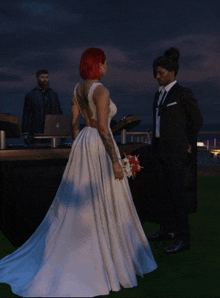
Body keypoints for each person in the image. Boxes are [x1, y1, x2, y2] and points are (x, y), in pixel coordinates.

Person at [0, 48, 157, 297]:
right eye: (104, 63)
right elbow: (104, 129)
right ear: (98, 65)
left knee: (78, 201)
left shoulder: (76, 89)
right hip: (98, 144)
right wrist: (116, 161)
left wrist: (80, 146)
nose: (106, 67)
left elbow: (74, 125)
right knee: (103, 197)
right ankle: (107, 258)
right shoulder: (101, 90)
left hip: (83, 143)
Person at [147, 47, 203, 254]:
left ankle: (182, 237)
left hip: (176, 152)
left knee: (178, 195)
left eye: (160, 72)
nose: (157, 76)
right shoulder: (158, 95)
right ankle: (166, 230)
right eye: (155, 72)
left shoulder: (183, 93)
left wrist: (187, 143)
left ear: (172, 72)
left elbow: (196, 121)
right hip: (160, 150)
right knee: (162, 193)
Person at [22, 69, 63, 145]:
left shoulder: (53, 95)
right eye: (42, 77)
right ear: (37, 78)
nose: (45, 80)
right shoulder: (31, 95)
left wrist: (61, 130)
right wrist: (25, 133)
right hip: (35, 133)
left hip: (51, 132)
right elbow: (26, 115)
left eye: (46, 77)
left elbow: (58, 112)